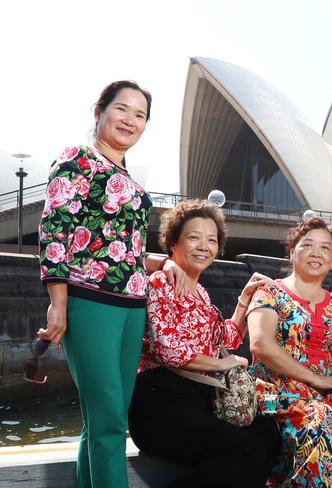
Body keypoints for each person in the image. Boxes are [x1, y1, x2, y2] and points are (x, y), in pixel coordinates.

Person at [37, 81, 185, 488]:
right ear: (98, 111)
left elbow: (124, 247)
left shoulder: (126, 175)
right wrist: (58, 302)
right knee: (107, 424)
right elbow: (55, 230)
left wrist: (161, 261)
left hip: (132, 307)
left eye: (140, 115)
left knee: (107, 419)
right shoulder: (78, 159)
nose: (130, 120)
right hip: (91, 302)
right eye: (122, 109)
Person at [128, 200, 281, 488]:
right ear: (173, 244)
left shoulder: (200, 292)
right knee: (248, 450)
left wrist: (245, 300)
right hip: (161, 402)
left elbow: (226, 339)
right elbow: (167, 349)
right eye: (194, 237)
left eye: (211, 240)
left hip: (197, 400)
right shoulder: (162, 280)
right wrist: (221, 364)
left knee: (269, 435)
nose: (204, 246)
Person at [246, 218, 332, 487]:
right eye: (308, 245)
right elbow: (260, 344)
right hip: (275, 391)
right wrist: (316, 379)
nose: (316, 253)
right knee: (322, 428)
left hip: (322, 396)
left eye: (325, 248)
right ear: (292, 252)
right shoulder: (269, 292)